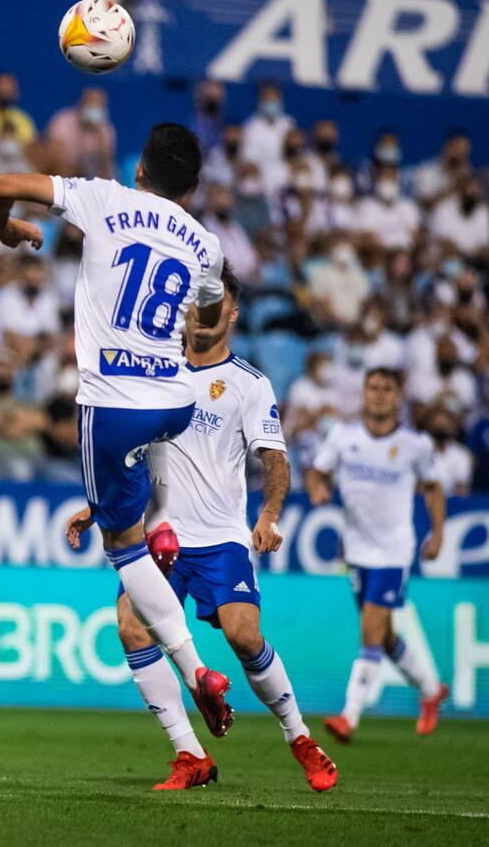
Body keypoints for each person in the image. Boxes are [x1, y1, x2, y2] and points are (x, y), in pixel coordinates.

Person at [0, 122, 234, 738]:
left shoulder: (106, 198)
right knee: (148, 463)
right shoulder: (208, 246)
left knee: (124, 551)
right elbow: (203, 321)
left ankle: (197, 669)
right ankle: (164, 519)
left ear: (140, 169)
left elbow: (0, 183)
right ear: (194, 186)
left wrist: (5, 226)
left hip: (112, 404)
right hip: (175, 400)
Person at [66, 264, 337, 793]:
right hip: (158, 538)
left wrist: (269, 515)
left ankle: (300, 737)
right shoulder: (154, 372)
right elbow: (130, 452)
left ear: (232, 314)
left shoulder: (248, 384)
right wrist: (97, 505)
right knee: (130, 627)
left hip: (220, 539)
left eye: (216, 306)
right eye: (197, 304)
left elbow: (274, 461)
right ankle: (190, 755)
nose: (204, 315)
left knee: (244, 635)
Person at [306, 368, 449, 743]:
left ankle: (349, 716)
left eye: (387, 388)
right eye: (373, 388)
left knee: (370, 633)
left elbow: (433, 489)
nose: (379, 395)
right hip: (356, 552)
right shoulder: (343, 435)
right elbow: (316, 472)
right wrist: (318, 489)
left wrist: (437, 533)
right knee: (384, 637)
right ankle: (432, 691)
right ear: (364, 394)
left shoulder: (415, 444)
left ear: (399, 396)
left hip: (393, 552)